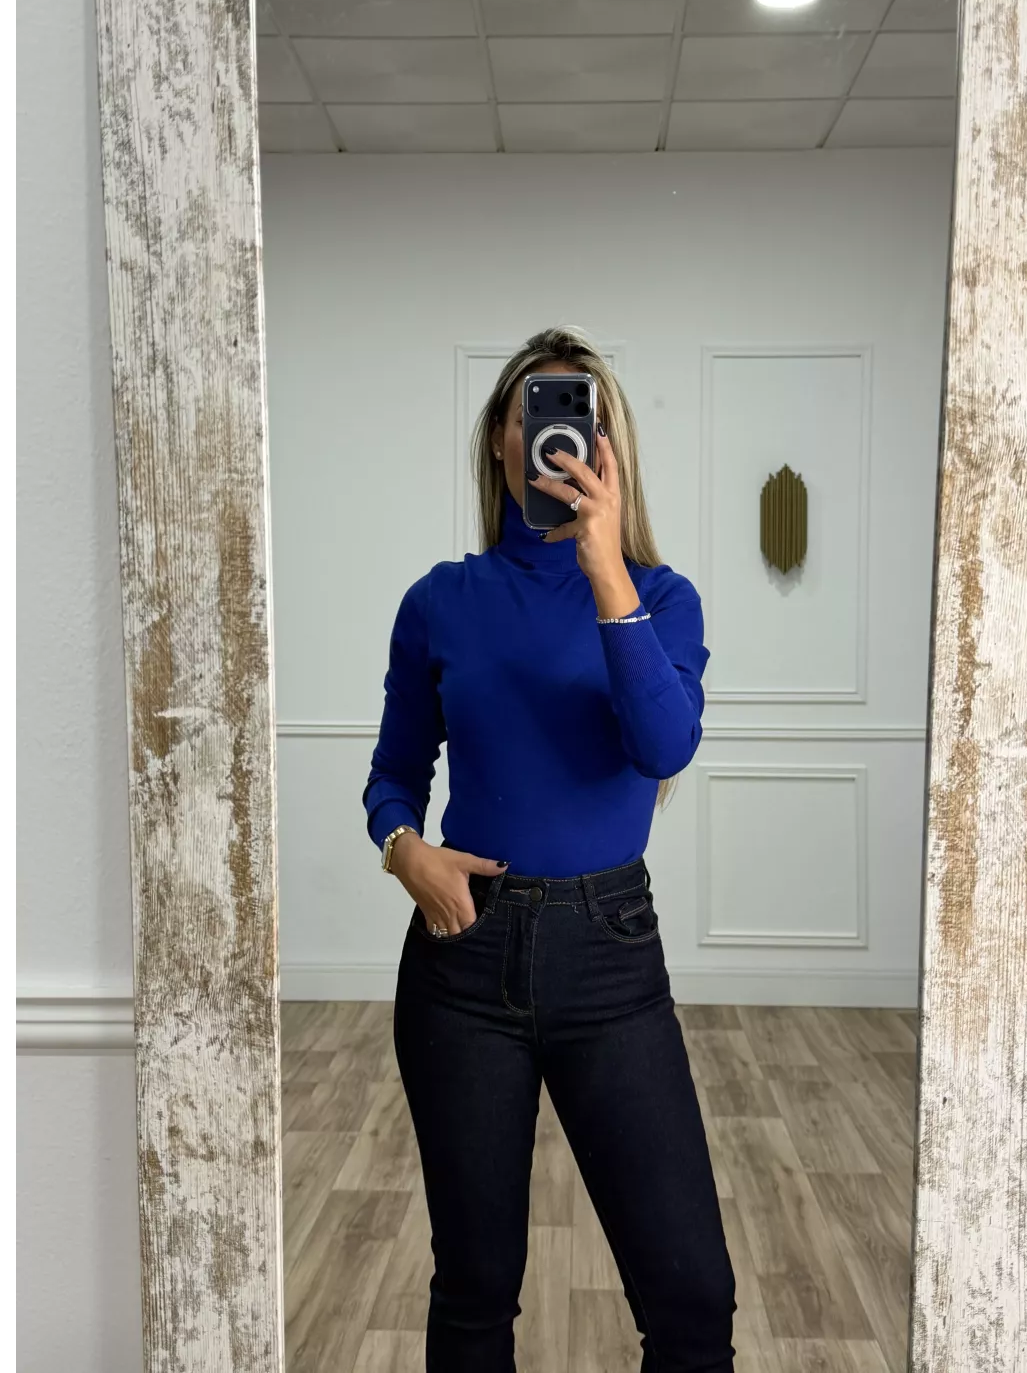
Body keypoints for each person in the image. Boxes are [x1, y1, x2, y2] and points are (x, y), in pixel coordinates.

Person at [363, 326, 737, 1372]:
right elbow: (392, 775)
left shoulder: (662, 597)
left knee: (691, 1297)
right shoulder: (439, 602)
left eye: (580, 416)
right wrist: (403, 849)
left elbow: (663, 747)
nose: (556, 435)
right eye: (534, 411)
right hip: (462, 956)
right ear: (499, 437)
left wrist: (605, 568)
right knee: (474, 1288)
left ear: (608, 446)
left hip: (609, 959)